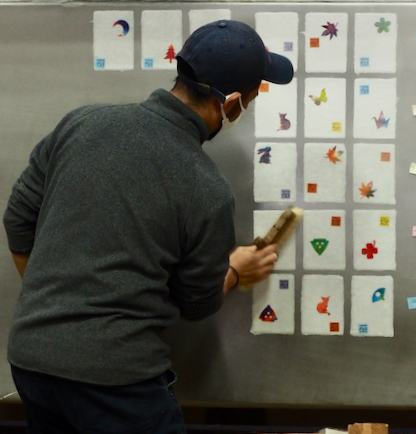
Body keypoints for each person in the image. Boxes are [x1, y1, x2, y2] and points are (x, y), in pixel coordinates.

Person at [3, 19, 293, 434]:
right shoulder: (206, 187)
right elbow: (196, 302)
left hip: (32, 360)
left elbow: (18, 218)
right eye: (250, 99)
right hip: (115, 380)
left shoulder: (81, 123)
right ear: (230, 104)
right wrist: (234, 269)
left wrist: (56, 308)